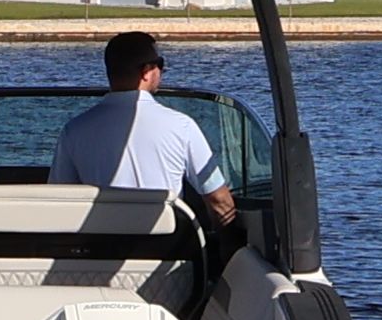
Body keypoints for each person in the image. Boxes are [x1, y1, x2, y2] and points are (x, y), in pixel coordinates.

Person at [46, 28, 240, 238]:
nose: (162, 72)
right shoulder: (182, 126)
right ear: (147, 71)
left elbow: (60, 202)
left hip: (99, 257)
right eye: (161, 65)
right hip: (166, 257)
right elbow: (220, 202)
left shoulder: (74, 130)